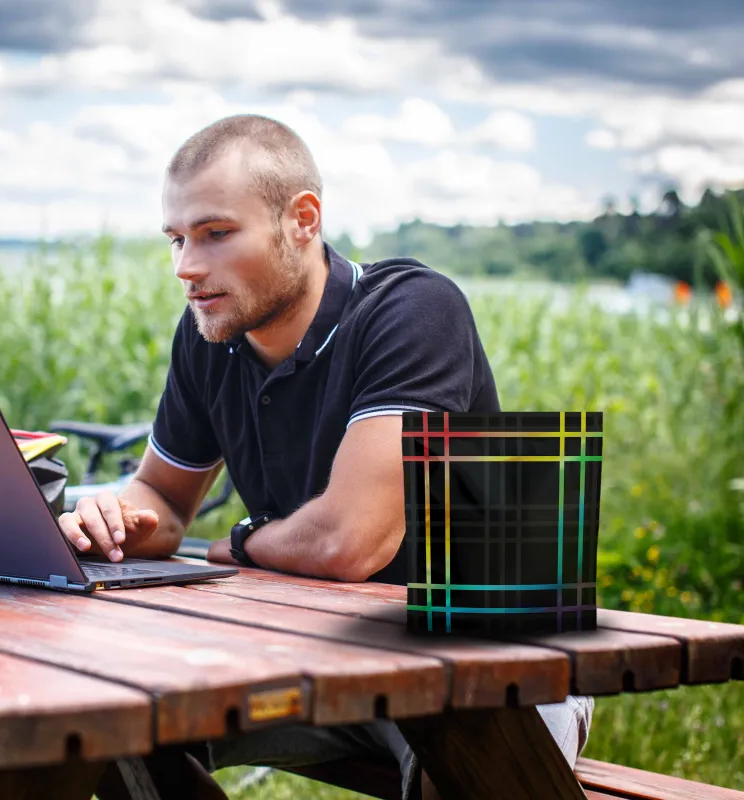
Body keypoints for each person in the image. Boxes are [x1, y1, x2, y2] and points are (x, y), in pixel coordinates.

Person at [57, 114, 592, 799]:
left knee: (466, 757)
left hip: (501, 653)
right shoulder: (208, 336)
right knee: (104, 722)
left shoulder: (415, 309)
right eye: (177, 239)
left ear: (302, 220)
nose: (187, 266)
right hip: (324, 651)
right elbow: (160, 501)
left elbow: (350, 542)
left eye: (217, 234)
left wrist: (244, 541)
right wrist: (108, 516)